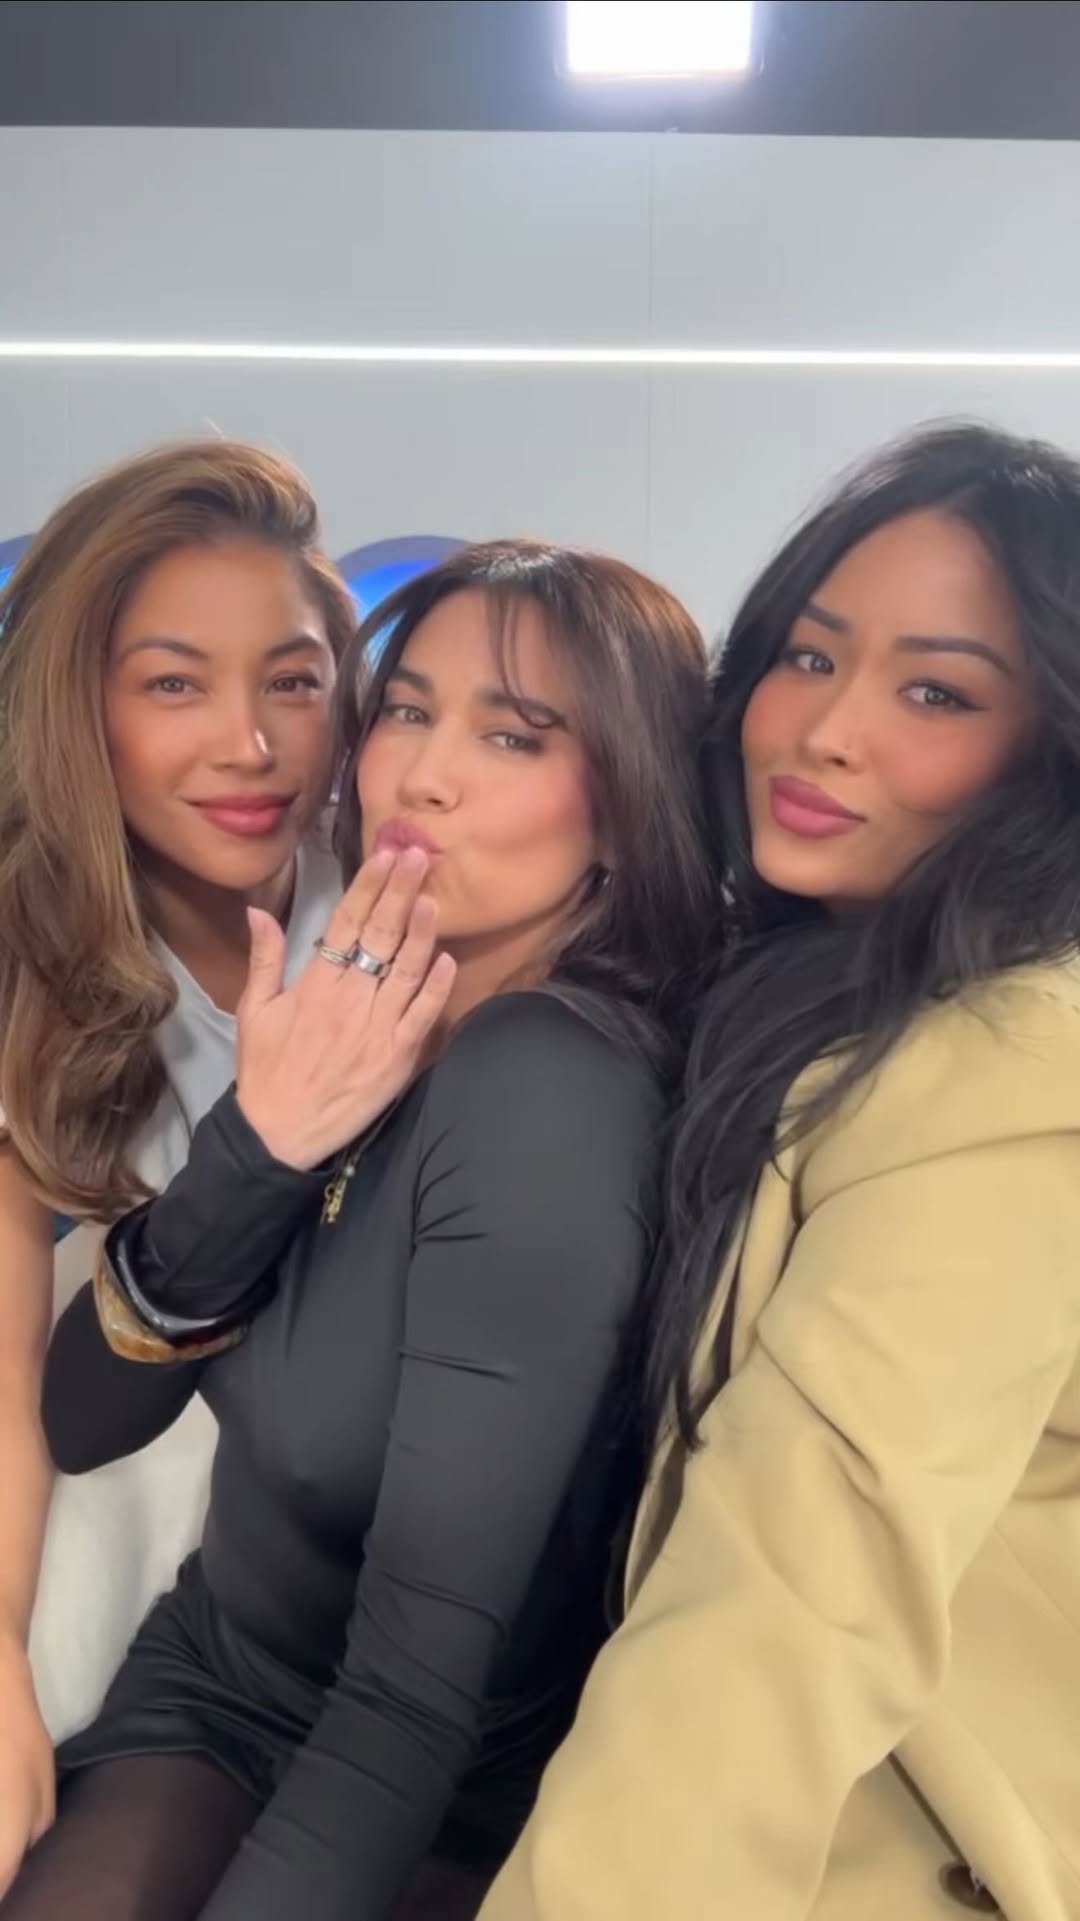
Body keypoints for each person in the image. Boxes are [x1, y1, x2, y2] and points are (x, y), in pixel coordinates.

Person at [6, 540, 715, 1921]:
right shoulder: (369, 1008)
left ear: (629, 809)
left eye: (513, 735)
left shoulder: (543, 1086)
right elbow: (84, 1414)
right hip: (219, 1680)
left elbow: (412, 1699)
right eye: (407, 710)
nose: (422, 775)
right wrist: (260, 1145)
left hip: (421, 1780)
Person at [478, 423, 1080, 1921]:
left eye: (936, 692)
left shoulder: (1011, 1057)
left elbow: (796, 1580)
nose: (825, 730)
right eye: (810, 657)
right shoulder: (812, 994)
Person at [0, 439, 366, 1897]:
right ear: (79, 705)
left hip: (376, 1546)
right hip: (113, 1499)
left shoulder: (408, 916)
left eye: (293, 681)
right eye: (173, 685)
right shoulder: (28, 954)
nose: (250, 746)